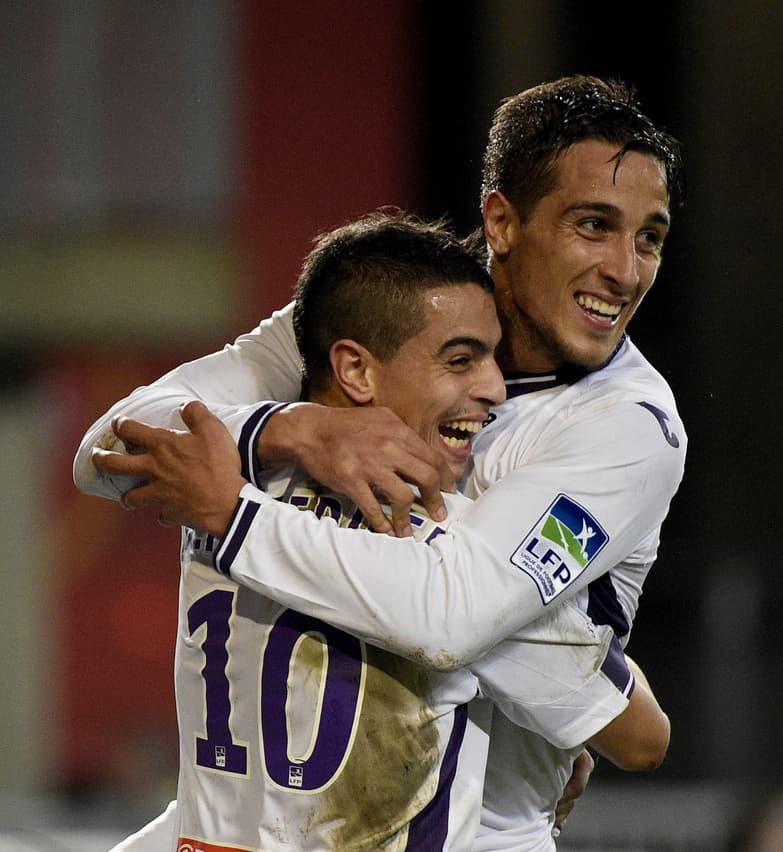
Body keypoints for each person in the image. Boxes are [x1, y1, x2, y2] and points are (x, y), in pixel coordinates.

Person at [82, 74, 687, 849]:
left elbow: (453, 613)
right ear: (502, 220)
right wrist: (291, 430)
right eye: (593, 225)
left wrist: (233, 511)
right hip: (243, 814)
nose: (626, 271)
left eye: (651, 238)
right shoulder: (384, 305)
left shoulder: (626, 426)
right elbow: (106, 448)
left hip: (467, 831)